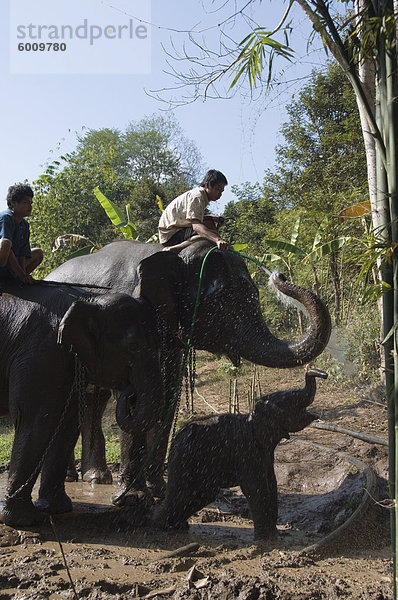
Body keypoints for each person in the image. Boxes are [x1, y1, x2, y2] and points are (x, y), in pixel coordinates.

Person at [159, 169, 229, 253]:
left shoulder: (202, 196)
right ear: (207, 185)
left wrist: (210, 218)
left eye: (222, 191)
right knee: (210, 236)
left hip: (177, 227)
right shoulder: (197, 196)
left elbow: (190, 217)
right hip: (171, 234)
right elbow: (196, 226)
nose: (220, 194)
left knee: (210, 223)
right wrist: (217, 239)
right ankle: (174, 248)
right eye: (218, 189)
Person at [0, 183, 43, 284]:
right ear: (14, 204)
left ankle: (17, 280)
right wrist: (21, 273)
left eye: (31, 203)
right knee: (6, 243)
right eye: (25, 203)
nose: (30, 206)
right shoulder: (6, 218)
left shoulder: (24, 225)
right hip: (3, 261)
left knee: (38, 253)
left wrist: (23, 272)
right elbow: (8, 251)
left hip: (10, 267)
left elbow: (23, 254)